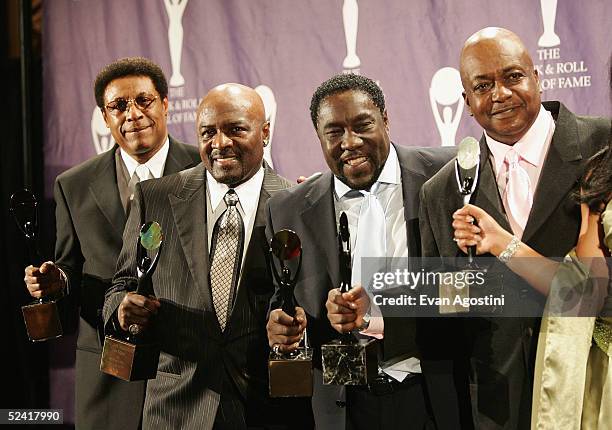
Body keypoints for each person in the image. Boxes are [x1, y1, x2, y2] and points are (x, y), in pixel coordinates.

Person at [419, 27, 610, 429]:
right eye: (483, 85)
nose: (500, 94)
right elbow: (448, 315)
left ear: (537, 76)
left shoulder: (603, 146)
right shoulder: (440, 191)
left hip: (592, 391)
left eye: (512, 77)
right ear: (467, 101)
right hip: (498, 404)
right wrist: (382, 301)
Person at [103, 83, 314, 429]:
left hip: (267, 409)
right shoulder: (154, 198)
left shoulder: (299, 204)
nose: (219, 143)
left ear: (265, 133)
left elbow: (314, 306)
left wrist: (297, 328)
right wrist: (122, 309)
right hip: (176, 410)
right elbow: (121, 286)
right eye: (208, 132)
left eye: (235, 130)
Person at [265, 73, 456, 429]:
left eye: (362, 125)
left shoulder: (446, 174)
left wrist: (376, 315)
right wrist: (287, 325)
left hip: (433, 392)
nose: (350, 142)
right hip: (342, 406)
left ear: (386, 119)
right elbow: (284, 294)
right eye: (334, 132)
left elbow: (479, 285)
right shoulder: (287, 208)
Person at [22, 57, 200, 429]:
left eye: (144, 101)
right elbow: (70, 268)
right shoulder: (73, 185)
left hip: (188, 370)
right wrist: (57, 283)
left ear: (165, 104)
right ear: (105, 117)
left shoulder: (203, 169)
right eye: (119, 106)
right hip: (107, 376)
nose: (132, 114)